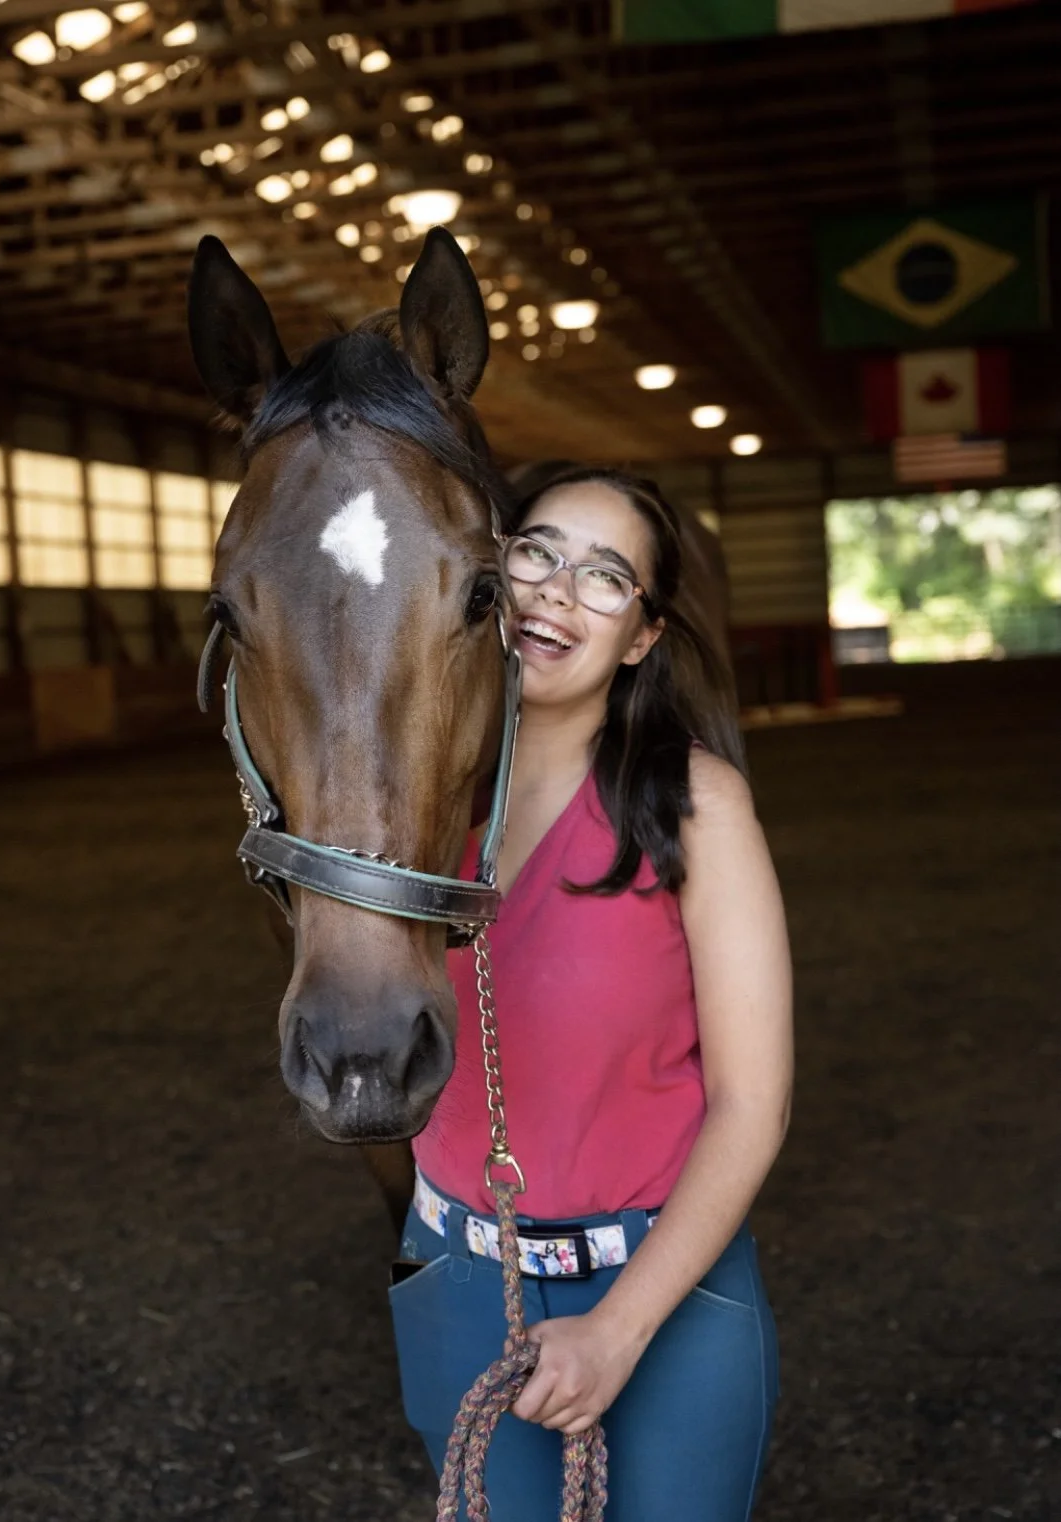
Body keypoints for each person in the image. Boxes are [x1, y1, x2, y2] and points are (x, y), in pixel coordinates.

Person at [388, 465, 793, 1522]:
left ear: (643, 635)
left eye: (605, 577)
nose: (557, 589)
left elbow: (754, 1102)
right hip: (458, 1277)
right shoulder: (408, 808)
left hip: (660, 1286)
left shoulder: (693, 804)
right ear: (490, 570)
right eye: (536, 551)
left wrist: (617, 1327)